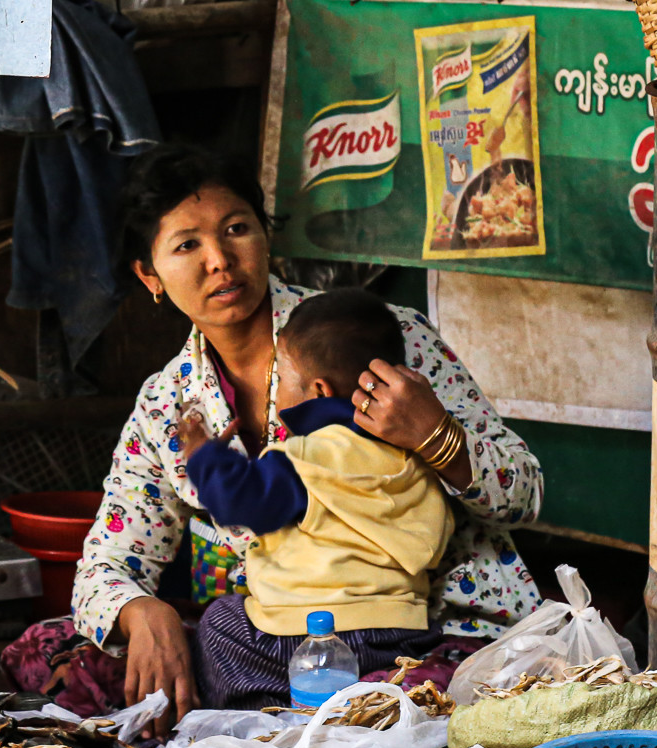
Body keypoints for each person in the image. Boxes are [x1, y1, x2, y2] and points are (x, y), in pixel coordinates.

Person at [71, 143, 544, 731]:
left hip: (435, 634)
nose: (219, 259)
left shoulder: (372, 337)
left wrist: (435, 436)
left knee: (411, 709)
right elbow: (105, 567)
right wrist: (142, 611)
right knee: (68, 654)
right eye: (187, 244)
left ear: (266, 239)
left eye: (236, 229)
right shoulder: (166, 404)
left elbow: (524, 493)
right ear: (151, 277)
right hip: (282, 640)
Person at [177, 288, 455, 708]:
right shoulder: (416, 459)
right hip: (401, 635)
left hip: (308, 639)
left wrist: (206, 457)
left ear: (320, 391)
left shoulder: (309, 458)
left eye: (282, 379)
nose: (277, 392)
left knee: (220, 623)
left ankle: (260, 716)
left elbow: (240, 500)